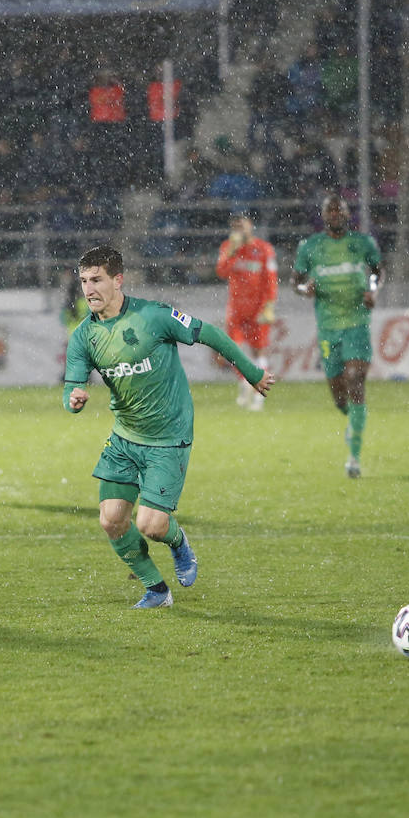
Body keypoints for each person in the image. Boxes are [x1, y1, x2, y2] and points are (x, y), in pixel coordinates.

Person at [63, 245, 276, 609]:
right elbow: (72, 382)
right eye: (83, 281)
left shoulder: (154, 316)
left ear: (118, 280)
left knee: (152, 526)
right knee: (112, 520)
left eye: (96, 280)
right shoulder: (84, 335)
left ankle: (178, 543)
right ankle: (157, 591)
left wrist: (251, 372)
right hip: (125, 437)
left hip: (167, 438)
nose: (88, 289)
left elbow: (209, 333)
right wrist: (74, 395)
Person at [293, 195, 381, 478]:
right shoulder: (310, 247)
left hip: (357, 324)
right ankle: (352, 420)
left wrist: (372, 289)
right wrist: (305, 288)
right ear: (323, 215)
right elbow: (296, 281)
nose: (334, 214)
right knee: (338, 393)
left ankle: (354, 458)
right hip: (328, 328)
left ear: (347, 214)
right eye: (329, 210)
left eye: (339, 210)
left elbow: (378, 272)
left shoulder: (363, 243)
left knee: (355, 379)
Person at [215, 214, 278, 410]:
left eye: (242, 226)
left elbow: (271, 278)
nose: (239, 230)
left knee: (258, 350)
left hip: (258, 307)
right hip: (236, 308)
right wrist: (232, 251)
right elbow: (221, 271)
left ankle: (260, 394)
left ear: (251, 226)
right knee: (232, 350)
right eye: (235, 227)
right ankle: (244, 383)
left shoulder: (263, 249)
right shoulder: (228, 247)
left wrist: (269, 305)